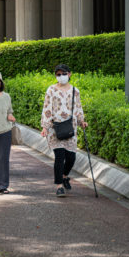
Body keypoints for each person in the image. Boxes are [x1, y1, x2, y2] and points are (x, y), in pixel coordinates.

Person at [41, 64, 88, 197]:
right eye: (58, 74)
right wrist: (45, 127)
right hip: (55, 128)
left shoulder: (75, 91)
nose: (61, 76)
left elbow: (78, 107)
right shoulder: (51, 90)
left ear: (69, 74)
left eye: (64, 73)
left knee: (71, 157)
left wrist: (82, 121)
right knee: (59, 157)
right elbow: (47, 108)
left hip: (70, 127)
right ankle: (59, 186)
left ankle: (65, 176)